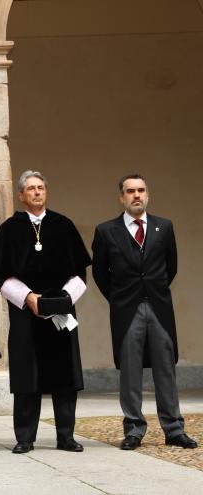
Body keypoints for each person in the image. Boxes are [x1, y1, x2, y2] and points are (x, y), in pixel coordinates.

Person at [91, 174, 197, 450]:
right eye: (130, 191)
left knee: (165, 368)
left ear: (147, 195)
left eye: (141, 190)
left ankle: (174, 428)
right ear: (121, 197)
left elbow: (170, 267)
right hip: (126, 310)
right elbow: (101, 274)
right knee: (130, 371)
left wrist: (154, 290)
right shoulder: (106, 231)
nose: (136, 195)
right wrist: (119, 299)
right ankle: (134, 429)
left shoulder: (165, 227)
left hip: (159, 308)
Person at [0, 170, 90, 454]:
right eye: (30, 188)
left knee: (65, 375)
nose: (36, 192)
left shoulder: (63, 225)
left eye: (41, 188)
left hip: (61, 312)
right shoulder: (10, 229)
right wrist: (29, 297)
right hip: (25, 313)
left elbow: (80, 272)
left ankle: (66, 436)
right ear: (21, 195)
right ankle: (25, 438)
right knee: (26, 376)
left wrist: (64, 299)